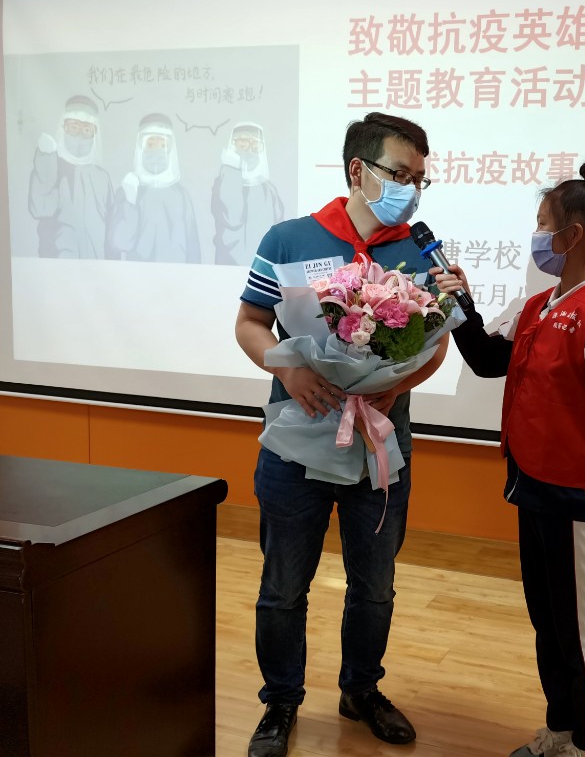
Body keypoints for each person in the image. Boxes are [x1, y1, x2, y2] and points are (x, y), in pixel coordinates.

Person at [235, 112, 446, 757]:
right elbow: (249, 322)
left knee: (375, 585)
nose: (411, 190)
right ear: (359, 170)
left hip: (379, 446)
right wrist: (288, 369)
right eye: (400, 174)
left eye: (420, 179)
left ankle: (361, 690)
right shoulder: (289, 239)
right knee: (283, 586)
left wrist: (399, 384)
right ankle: (280, 701)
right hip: (297, 441)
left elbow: (436, 344)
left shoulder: (420, 251)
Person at [433, 160, 585, 757]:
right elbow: (486, 359)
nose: (536, 237)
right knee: (549, 620)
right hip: (532, 488)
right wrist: (460, 301)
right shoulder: (537, 308)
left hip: (578, 498)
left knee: (584, 628)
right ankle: (561, 727)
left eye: (542, 225)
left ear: (572, 236)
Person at [107, 113, 200, 263]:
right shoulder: (128, 191)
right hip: (138, 275)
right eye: (150, 145)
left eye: (163, 145)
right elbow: (120, 243)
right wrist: (129, 203)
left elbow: (193, 247)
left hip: (176, 276)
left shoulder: (181, 196)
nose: (157, 151)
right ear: (140, 148)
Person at [28, 94, 113, 258]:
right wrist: (46, 160)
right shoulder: (52, 167)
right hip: (59, 266)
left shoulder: (102, 177)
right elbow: (41, 209)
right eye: (74, 128)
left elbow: (109, 229)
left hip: (98, 268)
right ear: (64, 128)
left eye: (87, 130)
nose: (80, 136)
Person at [212, 121, 285, 266]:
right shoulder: (223, 183)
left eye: (256, 146)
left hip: (264, 269)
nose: (250, 151)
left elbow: (281, 236)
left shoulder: (269, 190)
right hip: (227, 267)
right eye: (243, 145)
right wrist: (232, 169)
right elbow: (233, 219)